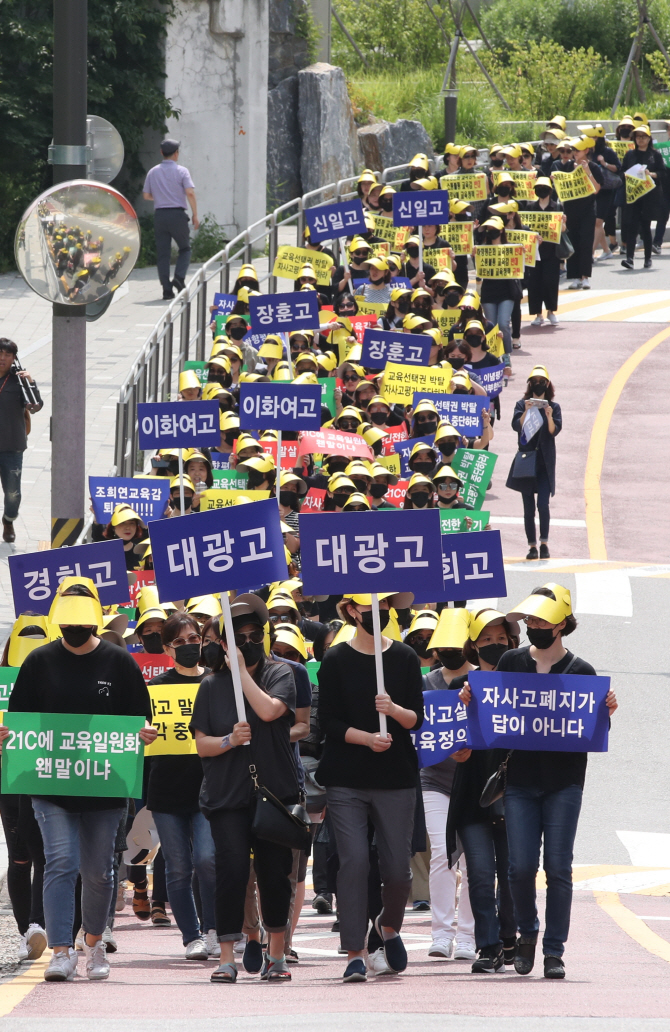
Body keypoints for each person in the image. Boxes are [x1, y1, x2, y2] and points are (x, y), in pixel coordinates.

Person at [2, 580, 156, 982]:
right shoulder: (39, 662)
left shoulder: (119, 663)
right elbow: (18, 719)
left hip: (103, 786)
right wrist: (7, 734)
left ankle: (93, 943)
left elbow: (142, 716)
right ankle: (61, 950)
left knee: (99, 871)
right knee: (60, 862)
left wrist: (144, 733)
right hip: (51, 786)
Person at [495, 584, 617, 979]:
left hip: (564, 783)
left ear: (562, 624)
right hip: (520, 782)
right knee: (519, 867)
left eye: (540, 621)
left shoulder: (582, 672)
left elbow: (592, 728)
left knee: (559, 867)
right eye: (529, 620)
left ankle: (554, 950)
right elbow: (492, 711)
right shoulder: (511, 661)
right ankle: (527, 933)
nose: (533, 626)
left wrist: (606, 710)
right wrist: (470, 699)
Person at [191, 594, 298, 983]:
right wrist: (228, 741)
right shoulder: (210, 686)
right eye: (239, 637)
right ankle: (226, 955)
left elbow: (271, 711)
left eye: (255, 634)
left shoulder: (280, 674)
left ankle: (276, 953)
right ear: (223, 643)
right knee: (231, 868)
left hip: (272, 792)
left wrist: (243, 674)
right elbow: (201, 743)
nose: (248, 642)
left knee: (274, 871)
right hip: (226, 793)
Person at [316, 592, 424, 982]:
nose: (377, 615)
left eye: (384, 609)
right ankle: (354, 953)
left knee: (397, 869)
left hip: (395, 778)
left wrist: (392, 710)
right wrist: (364, 737)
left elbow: (417, 720)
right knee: (355, 862)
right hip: (346, 778)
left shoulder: (405, 658)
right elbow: (326, 721)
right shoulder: (336, 658)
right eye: (369, 609)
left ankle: (387, 925)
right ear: (350, 611)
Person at [448, 609, 520, 973]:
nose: (494, 646)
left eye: (501, 640)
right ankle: (487, 946)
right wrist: (457, 747)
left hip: (514, 794)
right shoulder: (457, 688)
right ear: (473, 646)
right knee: (478, 872)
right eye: (487, 640)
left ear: (512, 643)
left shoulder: (525, 684)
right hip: (472, 794)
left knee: (512, 872)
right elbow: (443, 738)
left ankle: (510, 937)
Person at [146, 612, 217, 960]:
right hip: (167, 788)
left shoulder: (217, 682)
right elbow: (140, 741)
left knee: (207, 860)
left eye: (194, 639)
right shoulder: (155, 689)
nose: (189, 647)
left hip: (210, 788)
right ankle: (192, 937)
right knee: (178, 867)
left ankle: (216, 929)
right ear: (167, 648)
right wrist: (145, 736)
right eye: (180, 642)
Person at [420, 609, 476, 960]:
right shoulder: (425, 683)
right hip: (434, 781)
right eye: (444, 646)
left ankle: (469, 937)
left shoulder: (485, 680)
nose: (449, 651)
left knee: (472, 861)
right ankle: (441, 933)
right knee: (442, 853)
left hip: (474, 784)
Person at [506, 365, 561, 561]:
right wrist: (527, 411)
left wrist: (548, 415)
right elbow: (516, 426)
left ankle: (544, 542)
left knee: (543, 505)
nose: (538, 384)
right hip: (527, 461)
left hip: (545, 463)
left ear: (548, 384)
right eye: (534, 381)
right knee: (528, 508)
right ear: (530, 384)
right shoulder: (522, 404)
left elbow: (555, 431)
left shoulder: (553, 407)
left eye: (542, 381)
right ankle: (532, 546)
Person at [143, 139, 199, 300]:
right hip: (177, 215)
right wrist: (195, 214)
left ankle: (166, 290)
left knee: (163, 254)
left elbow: (146, 195)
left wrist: (161, 197)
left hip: (160, 215)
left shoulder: (153, 172)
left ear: (161, 153)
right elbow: (190, 193)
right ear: (176, 153)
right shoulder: (182, 171)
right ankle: (179, 278)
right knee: (185, 249)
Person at [0, 338, 42, 543]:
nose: (2, 358)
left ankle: (8, 521)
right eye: (0, 353)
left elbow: (36, 405)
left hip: (12, 446)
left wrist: (31, 382)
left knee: (12, 493)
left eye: (7, 355)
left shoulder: (19, 380)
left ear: (14, 358)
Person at [550, 137, 602, 290]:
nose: (574, 153)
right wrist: (556, 180)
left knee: (585, 243)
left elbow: (597, 189)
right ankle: (574, 276)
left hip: (587, 211)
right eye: (573, 150)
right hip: (571, 210)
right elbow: (562, 187)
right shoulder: (567, 167)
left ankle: (585, 276)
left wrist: (587, 172)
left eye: (577, 150)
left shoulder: (594, 167)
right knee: (572, 242)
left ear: (586, 150)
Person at [620, 124, 666, 270]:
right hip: (634, 195)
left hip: (649, 196)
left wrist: (651, 174)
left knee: (645, 227)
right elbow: (622, 173)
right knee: (632, 227)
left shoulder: (655, 155)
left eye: (643, 137)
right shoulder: (630, 154)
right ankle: (629, 258)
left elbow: (663, 173)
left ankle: (647, 258)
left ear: (649, 138)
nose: (640, 139)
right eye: (638, 137)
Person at [526, 178, 564, 326]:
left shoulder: (557, 207)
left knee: (550, 282)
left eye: (544, 187)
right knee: (534, 283)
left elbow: (564, 231)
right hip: (534, 253)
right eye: (539, 187)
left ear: (550, 190)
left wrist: (564, 224)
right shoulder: (530, 208)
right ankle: (537, 314)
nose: (541, 190)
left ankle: (551, 312)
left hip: (551, 252)